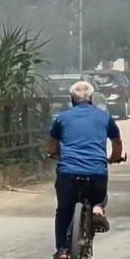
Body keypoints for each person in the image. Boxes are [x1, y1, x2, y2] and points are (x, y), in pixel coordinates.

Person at [48, 81, 123, 259]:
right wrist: (114, 157)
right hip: (96, 171)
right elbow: (117, 142)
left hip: (68, 172)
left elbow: (52, 145)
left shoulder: (62, 118)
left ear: (71, 99)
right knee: (100, 196)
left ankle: (63, 251)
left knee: (63, 211)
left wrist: (55, 154)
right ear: (91, 98)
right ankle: (97, 209)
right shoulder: (104, 116)